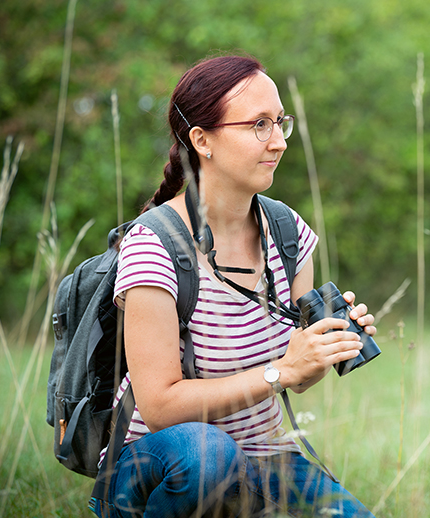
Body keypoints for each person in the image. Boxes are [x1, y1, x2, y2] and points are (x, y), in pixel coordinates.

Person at [92, 53, 377, 517]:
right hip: (159, 467)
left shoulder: (287, 232)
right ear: (202, 140)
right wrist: (279, 372)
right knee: (208, 456)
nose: (280, 141)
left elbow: (297, 381)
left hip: (264, 458)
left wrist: (320, 352)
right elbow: (161, 406)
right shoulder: (155, 246)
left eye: (280, 122)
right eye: (259, 125)